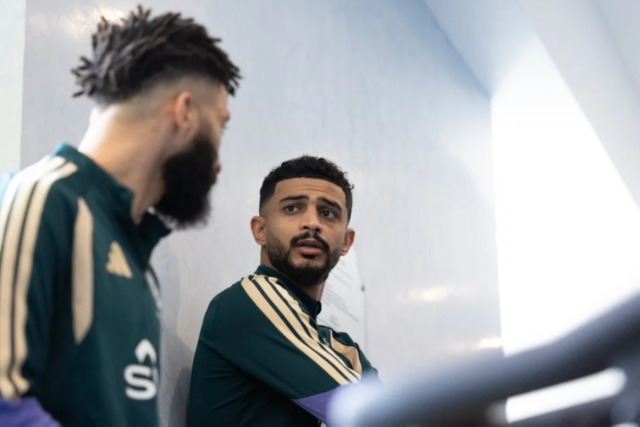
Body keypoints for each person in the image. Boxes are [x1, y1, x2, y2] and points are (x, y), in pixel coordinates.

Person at [0, 6, 240, 427]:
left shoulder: (136, 259)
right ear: (184, 112)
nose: (218, 162)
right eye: (220, 125)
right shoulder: (41, 197)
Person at [188, 156, 378, 426]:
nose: (312, 223)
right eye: (292, 208)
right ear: (260, 230)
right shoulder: (250, 300)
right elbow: (370, 416)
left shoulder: (340, 347)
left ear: (346, 242)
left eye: (328, 213)